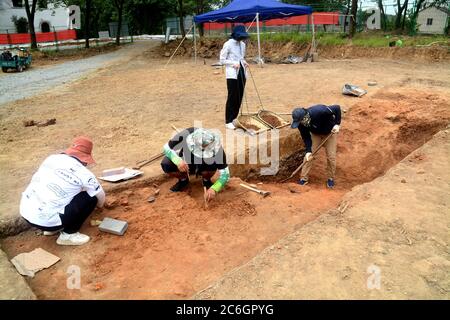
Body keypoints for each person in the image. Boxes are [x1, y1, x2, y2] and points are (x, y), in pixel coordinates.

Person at [20, 136, 105, 246]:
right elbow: (100, 196)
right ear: (85, 159)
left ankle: (51, 229)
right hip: (47, 221)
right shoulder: (84, 173)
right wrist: (100, 206)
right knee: (91, 198)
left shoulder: (52, 158)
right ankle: (68, 235)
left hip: (26, 212)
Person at [161, 127, 230, 202]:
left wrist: (215, 188)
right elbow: (166, 147)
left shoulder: (217, 148)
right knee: (166, 164)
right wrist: (177, 161)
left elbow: (225, 175)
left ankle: (206, 180)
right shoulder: (187, 133)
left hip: (205, 166)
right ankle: (183, 180)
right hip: (187, 162)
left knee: (211, 164)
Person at [291, 104, 341, 188]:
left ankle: (330, 178)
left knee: (331, 157)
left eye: (300, 121)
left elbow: (337, 108)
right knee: (309, 156)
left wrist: (337, 124)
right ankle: (303, 178)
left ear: (305, 117)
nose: (300, 124)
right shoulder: (301, 124)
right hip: (315, 134)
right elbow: (306, 137)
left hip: (330, 133)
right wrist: (308, 151)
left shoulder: (320, 111)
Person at [220, 25, 249, 130]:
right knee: (232, 96)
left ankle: (234, 118)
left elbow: (241, 57)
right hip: (232, 74)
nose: (241, 39)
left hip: (241, 72)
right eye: (240, 36)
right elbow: (222, 60)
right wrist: (233, 63)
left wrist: (244, 62)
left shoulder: (243, 45)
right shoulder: (228, 44)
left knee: (239, 96)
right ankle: (228, 120)